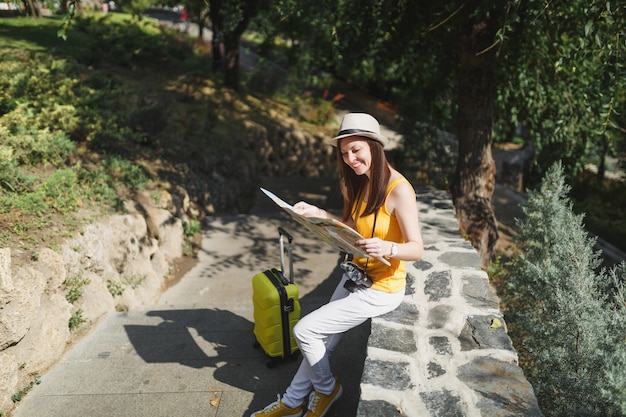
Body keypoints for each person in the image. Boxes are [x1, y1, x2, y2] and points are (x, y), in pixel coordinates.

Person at [251, 113, 424, 417]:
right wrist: (316, 213)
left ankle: (328, 388)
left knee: (305, 331)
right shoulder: (360, 183)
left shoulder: (399, 189)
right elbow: (349, 226)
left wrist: (388, 247)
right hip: (355, 275)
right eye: (344, 153)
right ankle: (292, 403)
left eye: (356, 150)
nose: (350, 159)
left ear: (374, 146)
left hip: (381, 288)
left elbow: (417, 249)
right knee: (322, 343)